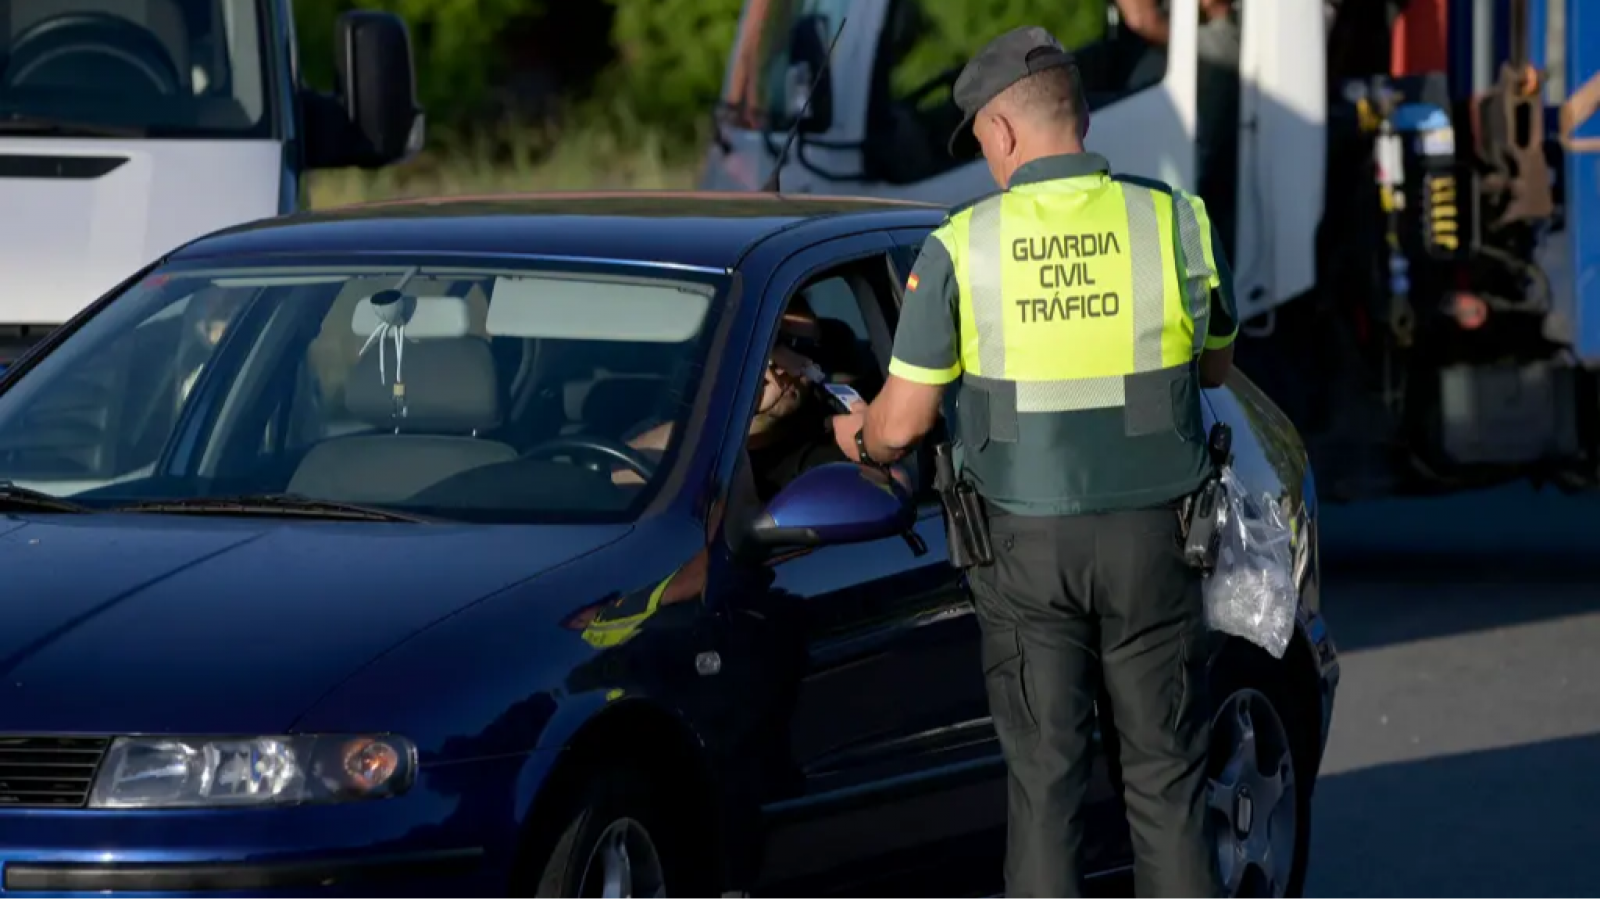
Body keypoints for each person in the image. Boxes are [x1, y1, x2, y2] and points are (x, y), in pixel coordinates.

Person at [829, 25, 1239, 900]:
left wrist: (853, 436)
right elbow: (1214, 367)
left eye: (980, 142)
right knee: (1167, 786)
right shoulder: (1174, 220)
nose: (985, 161)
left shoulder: (960, 245)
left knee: (1047, 788)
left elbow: (901, 428)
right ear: (1082, 117)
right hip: (1157, 540)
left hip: (1025, 555)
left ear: (1004, 134)